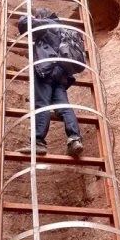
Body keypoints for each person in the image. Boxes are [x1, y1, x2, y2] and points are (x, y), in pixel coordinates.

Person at [18, 8, 84, 157]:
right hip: (61, 74)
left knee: (42, 105)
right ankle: (75, 139)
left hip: (47, 70)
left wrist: (28, 16)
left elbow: (24, 24)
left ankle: (38, 142)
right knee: (64, 107)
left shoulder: (47, 24)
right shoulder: (62, 29)